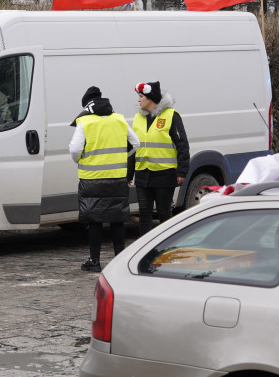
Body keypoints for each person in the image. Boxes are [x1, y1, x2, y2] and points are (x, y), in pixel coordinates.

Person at [69, 86, 139, 272]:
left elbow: (75, 150)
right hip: (117, 177)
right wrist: (121, 157)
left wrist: (81, 160)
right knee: (117, 219)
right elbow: (135, 143)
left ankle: (94, 261)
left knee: (95, 220)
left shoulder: (85, 121)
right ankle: (120, 262)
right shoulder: (119, 119)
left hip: (92, 178)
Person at [130, 81, 190, 236]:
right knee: (144, 212)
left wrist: (182, 172)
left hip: (164, 173)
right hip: (143, 172)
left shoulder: (171, 116)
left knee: (164, 212)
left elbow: (182, 145)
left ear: (151, 99)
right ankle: (143, 249)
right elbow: (132, 148)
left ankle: (166, 248)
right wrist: (129, 174)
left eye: (141, 96)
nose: (138, 100)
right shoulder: (138, 118)